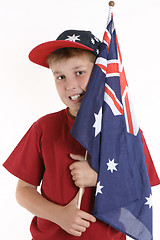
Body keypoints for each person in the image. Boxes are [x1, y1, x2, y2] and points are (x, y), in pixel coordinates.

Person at [3, 30, 160, 240]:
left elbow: (141, 190)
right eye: (60, 76)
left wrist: (100, 179)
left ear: (99, 73)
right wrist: (60, 216)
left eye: (79, 72)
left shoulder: (125, 129)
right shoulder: (43, 127)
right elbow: (23, 191)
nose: (70, 85)